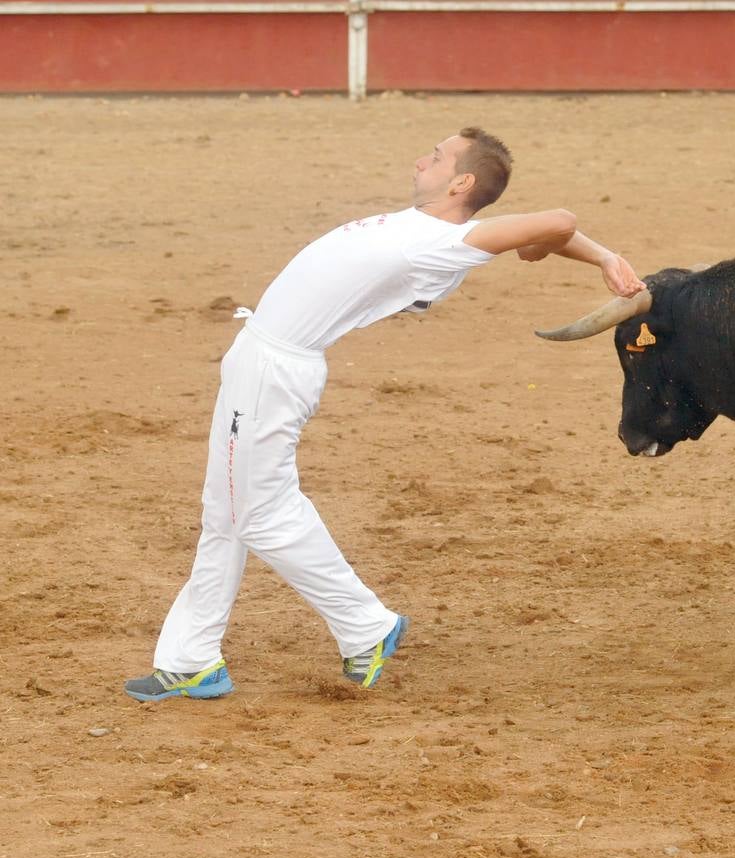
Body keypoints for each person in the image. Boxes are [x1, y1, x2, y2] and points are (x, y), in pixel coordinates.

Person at [125, 127, 645, 701]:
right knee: (226, 513)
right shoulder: (431, 229)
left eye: (437, 157)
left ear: (462, 182)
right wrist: (593, 254)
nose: (421, 161)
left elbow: (561, 219)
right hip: (261, 362)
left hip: (273, 374)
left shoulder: (444, 243)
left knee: (260, 516)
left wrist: (561, 244)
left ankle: (365, 625)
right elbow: (550, 228)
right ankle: (192, 659)